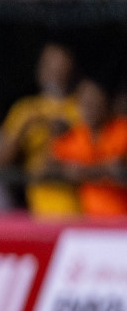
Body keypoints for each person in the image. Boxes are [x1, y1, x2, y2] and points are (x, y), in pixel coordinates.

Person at [0, 42, 80, 217]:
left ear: (71, 67)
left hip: (81, 211)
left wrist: (61, 136)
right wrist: (23, 129)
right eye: (47, 64)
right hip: (36, 211)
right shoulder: (24, 109)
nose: (53, 70)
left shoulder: (84, 109)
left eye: (59, 64)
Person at [51, 78, 127, 217]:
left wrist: (84, 171)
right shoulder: (73, 136)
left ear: (106, 103)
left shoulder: (122, 129)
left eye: (95, 102)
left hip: (122, 215)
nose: (90, 108)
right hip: (88, 218)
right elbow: (47, 166)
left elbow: (120, 167)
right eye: (85, 103)